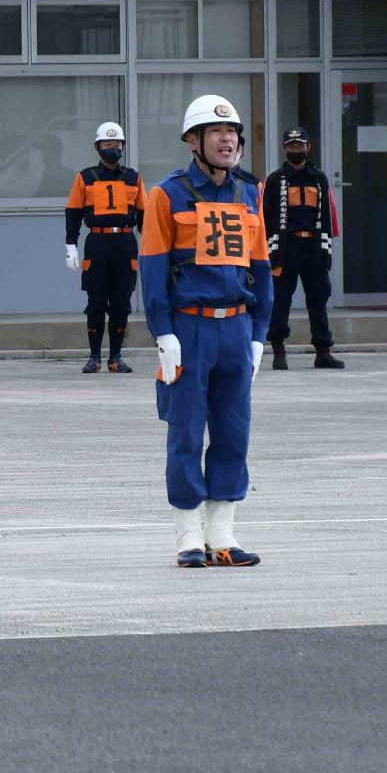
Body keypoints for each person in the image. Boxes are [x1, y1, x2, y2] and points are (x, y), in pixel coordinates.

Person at [139, 94, 272, 569]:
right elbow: (152, 268)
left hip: (236, 328)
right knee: (186, 433)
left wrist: (258, 334)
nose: (228, 140)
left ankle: (223, 534)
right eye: (216, 133)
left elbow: (262, 270)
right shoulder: (167, 195)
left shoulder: (248, 194)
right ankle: (188, 536)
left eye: (233, 132)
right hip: (189, 331)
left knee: (234, 433)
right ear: (193, 141)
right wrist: (163, 333)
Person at [63, 121, 144, 374]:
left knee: (121, 303)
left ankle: (116, 357)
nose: (114, 148)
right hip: (97, 243)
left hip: (125, 243)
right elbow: (73, 212)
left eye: (118, 144)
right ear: (98, 147)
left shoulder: (133, 178)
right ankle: (94, 356)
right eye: (108, 144)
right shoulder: (85, 177)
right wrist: (70, 244)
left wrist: (155, 249)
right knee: (96, 301)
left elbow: (145, 215)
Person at [262, 127, 344, 370]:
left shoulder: (319, 177)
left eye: (300, 146)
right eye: (291, 146)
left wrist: (326, 249)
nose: (296, 150)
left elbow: (327, 216)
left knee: (319, 298)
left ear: (308, 148)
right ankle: (279, 351)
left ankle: (323, 351)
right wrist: (268, 250)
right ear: (285, 148)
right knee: (280, 300)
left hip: (313, 246)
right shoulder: (275, 179)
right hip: (286, 247)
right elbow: (266, 217)